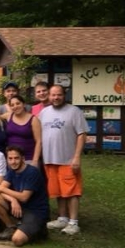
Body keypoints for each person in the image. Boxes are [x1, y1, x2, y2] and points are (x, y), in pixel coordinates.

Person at [40, 85, 88, 236]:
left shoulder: (74, 112)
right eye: (53, 95)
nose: (56, 98)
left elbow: (82, 134)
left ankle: (73, 223)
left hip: (68, 159)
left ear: (64, 95)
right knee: (58, 191)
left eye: (59, 95)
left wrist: (77, 157)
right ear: (49, 96)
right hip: (50, 159)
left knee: (72, 191)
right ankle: (62, 218)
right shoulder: (43, 113)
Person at [0, 146, 49, 245]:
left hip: (35, 211)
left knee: (17, 240)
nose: (13, 162)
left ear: (23, 159)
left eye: (16, 158)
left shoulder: (32, 172)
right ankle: (11, 227)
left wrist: (3, 189)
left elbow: (24, 197)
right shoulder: (12, 171)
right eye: (10, 159)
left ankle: (39, 230)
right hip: (19, 208)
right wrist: (12, 200)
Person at [6, 95, 42, 167]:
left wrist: (35, 161)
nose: (15, 106)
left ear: (24, 104)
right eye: (12, 105)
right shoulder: (8, 116)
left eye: (18, 103)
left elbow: (39, 141)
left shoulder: (33, 119)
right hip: (12, 160)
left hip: (28, 159)